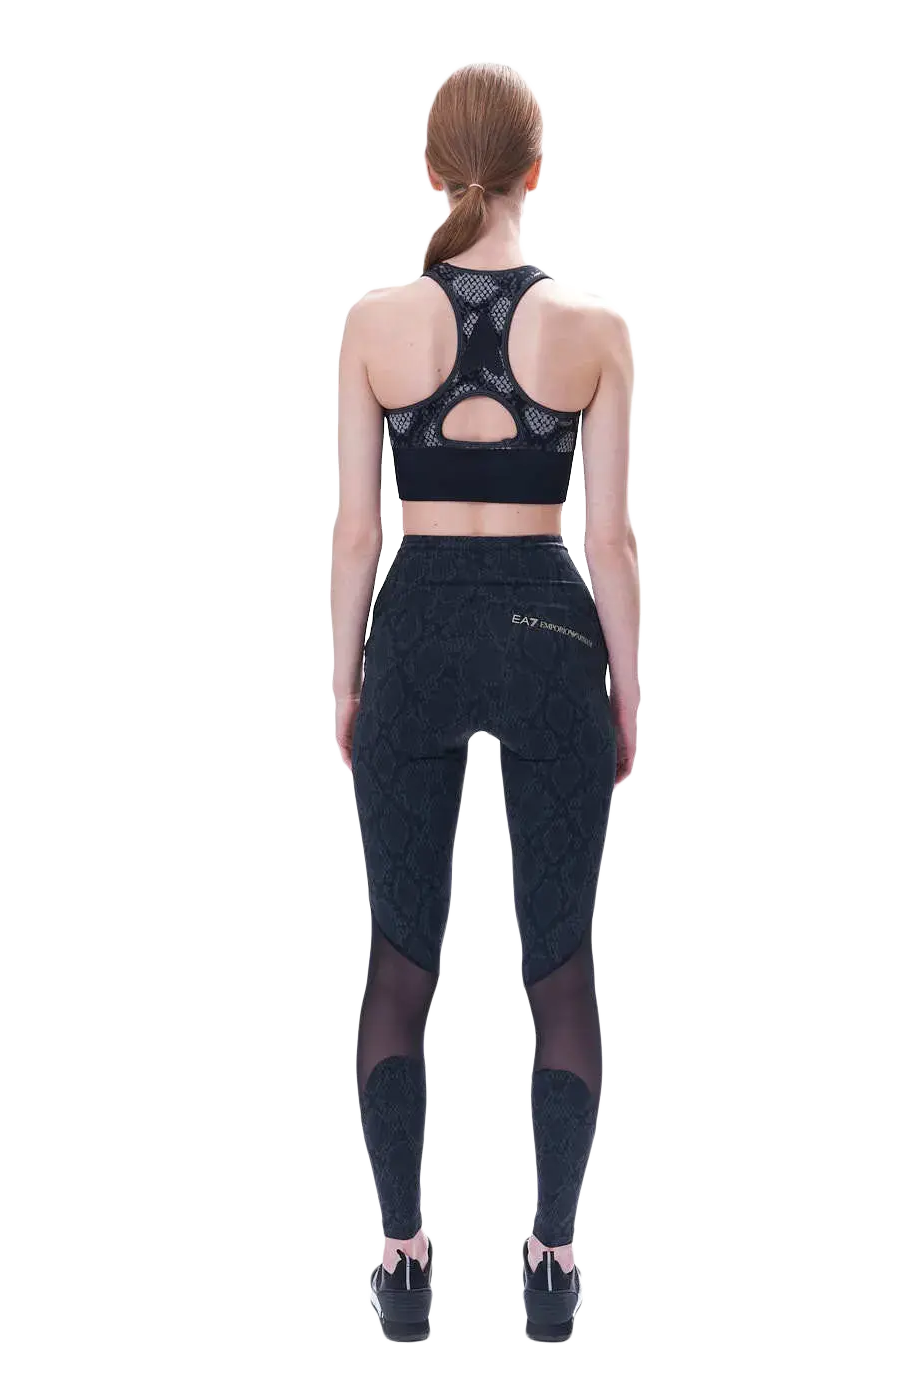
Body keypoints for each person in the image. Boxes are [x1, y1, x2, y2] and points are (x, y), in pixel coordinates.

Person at [330, 59, 641, 1342]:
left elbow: (358, 534)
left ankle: (402, 1260)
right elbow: (610, 542)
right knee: (558, 965)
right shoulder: (594, 329)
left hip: (416, 628)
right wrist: (628, 690)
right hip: (548, 627)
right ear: (535, 172)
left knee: (401, 959)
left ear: (430, 168)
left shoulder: (374, 323)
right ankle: (552, 1262)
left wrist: (346, 677)